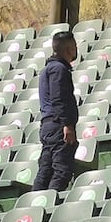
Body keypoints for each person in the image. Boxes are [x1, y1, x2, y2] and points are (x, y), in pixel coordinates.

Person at [34, 30, 80, 192]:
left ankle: (36, 205)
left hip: (49, 126)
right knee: (62, 171)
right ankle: (49, 207)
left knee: (46, 171)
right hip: (57, 126)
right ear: (69, 49)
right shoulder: (58, 69)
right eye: (74, 47)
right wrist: (68, 125)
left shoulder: (49, 68)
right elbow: (59, 98)